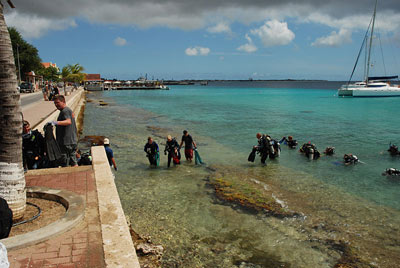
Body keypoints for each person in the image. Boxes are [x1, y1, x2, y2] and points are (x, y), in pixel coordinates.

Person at [52, 95, 78, 167]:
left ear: (63, 102)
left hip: (66, 142)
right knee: (73, 161)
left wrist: (55, 122)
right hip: (71, 141)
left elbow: (68, 122)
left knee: (65, 163)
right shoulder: (68, 110)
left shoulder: (65, 111)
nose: (56, 105)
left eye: (57, 102)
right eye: (55, 103)